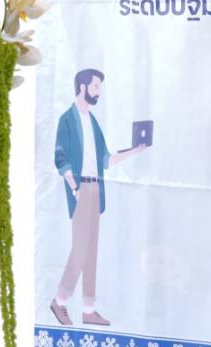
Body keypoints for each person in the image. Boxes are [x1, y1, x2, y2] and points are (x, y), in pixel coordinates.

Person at [49, 68, 148, 327]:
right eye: (95, 86)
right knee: (80, 248)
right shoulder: (67, 120)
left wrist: (135, 151)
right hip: (80, 187)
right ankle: (59, 301)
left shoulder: (92, 121)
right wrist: (74, 188)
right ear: (82, 87)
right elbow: (60, 157)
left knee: (91, 249)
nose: (98, 92)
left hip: (95, 189)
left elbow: (105, 159)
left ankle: (88, 309)